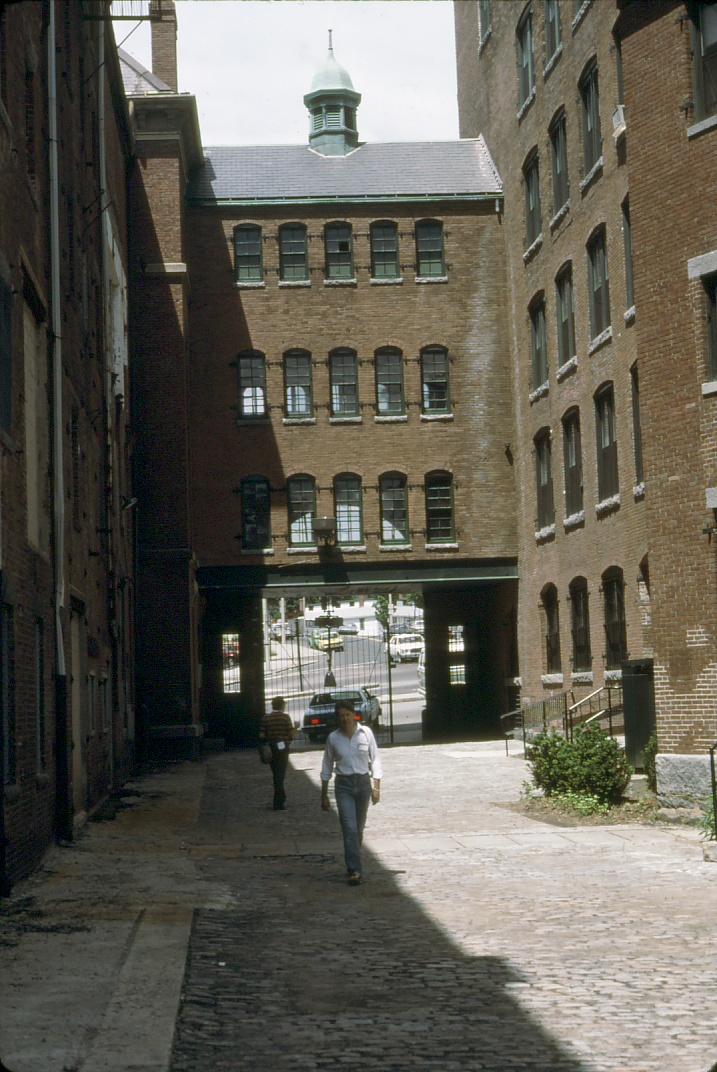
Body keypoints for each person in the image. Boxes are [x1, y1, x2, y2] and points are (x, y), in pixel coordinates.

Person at [320, 699, 382, 885]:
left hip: (362, 783)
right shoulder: (333, 738)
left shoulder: (366, 733)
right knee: (349, 828)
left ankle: (354, 855)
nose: (345, 718)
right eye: (341, 716)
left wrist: (376, 786)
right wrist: (323, 794)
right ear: (338, 718)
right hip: (343, 785)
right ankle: (354, 869)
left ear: (354, 715)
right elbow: (326, 765)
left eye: (347, 714)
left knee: (358, 828)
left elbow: (376, 759)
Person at [260, 696, 294, 810]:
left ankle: (280, 798)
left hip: (271, 747)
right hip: (283, 747)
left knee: (276, 773)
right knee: (280, 774)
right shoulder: (285, 717)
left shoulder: (266, 718)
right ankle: (278, 801)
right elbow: (291, 734)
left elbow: (261, 735)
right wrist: (296, 728)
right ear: (282, 705)